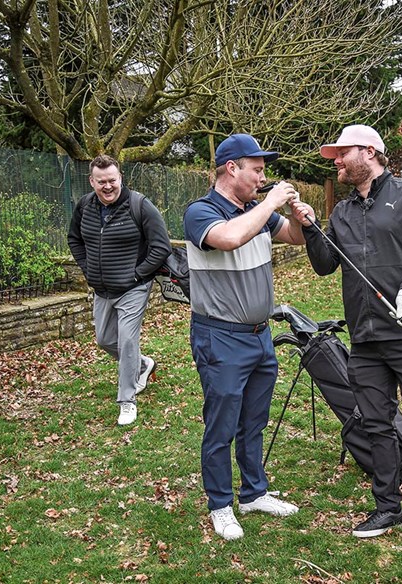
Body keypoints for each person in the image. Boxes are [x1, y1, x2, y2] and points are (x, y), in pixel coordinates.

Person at [302, 124, 402, 538]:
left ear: (369, 152)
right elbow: (323, 264)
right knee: (376, 424)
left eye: (341, 153)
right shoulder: (342, 212)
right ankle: (388, 506)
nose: (335, 160)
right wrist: (311, 227)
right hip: (366, 340)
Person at [183, 133, 316, 541]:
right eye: (256, 169)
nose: (263, 177)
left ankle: (253, 493)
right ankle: (220, 505)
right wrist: (273, 203)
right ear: (231, 168)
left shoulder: (256, 211)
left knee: (253, 421)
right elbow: (229, 238)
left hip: (260, 336)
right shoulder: (201, 212)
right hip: (220, 337)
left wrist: (298, 217)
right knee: (221, 426)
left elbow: (293, 237)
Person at [68, 154, 172, 426]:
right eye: (101, 181)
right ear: (91, 181)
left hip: (133, 288)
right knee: (104, 340)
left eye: (112, 180)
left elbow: (161, 247)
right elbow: (74, 239)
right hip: (102, 288)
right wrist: (87, 268)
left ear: (120, 178)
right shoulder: (84, 207)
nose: (107, 186)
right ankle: (141, 365)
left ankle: (127, 400)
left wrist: (137, 274)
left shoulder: (140, 206)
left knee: (127, 340)